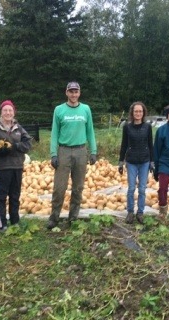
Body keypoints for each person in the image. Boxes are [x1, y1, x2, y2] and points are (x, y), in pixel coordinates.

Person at [48, 81, 97, 229]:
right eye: (71, 91)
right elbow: (54, 133)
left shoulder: (85, 109)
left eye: (76, 92)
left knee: (78, 187)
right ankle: (54, 217)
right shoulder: (59, 110)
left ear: (79, 93)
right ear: (67, 93)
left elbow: (90, 131)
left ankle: (73, 217)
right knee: (59, 187)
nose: (74, 94)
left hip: (81, 151)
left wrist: (93, 151)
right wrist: (53, 154)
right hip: (64, 151)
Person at [0, 100, 32, 231]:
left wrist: (16, 146)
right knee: (1, 197)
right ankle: (1, 223)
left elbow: (28, 143)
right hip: (1, 167)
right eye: (5, 110)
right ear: (1, 112)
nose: (8, 113)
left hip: (17, 166)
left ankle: (15, 220)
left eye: (10, 110)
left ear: (14, 112)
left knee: (15, 195)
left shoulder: (18, 128)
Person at [118, 102, 154, 224]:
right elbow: (124, 145)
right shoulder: (127, 127)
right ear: (132, 113)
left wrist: (152, 161)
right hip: (131, 161)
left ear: (143, 113)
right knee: (131, 188)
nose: (138, 113)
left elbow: (150, 145)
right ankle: (130, 212)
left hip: (144, 161)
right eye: (136, 111)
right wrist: (120, 161)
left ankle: (140, 212)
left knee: (142, 189)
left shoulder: (147, 127)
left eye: (140, 111)